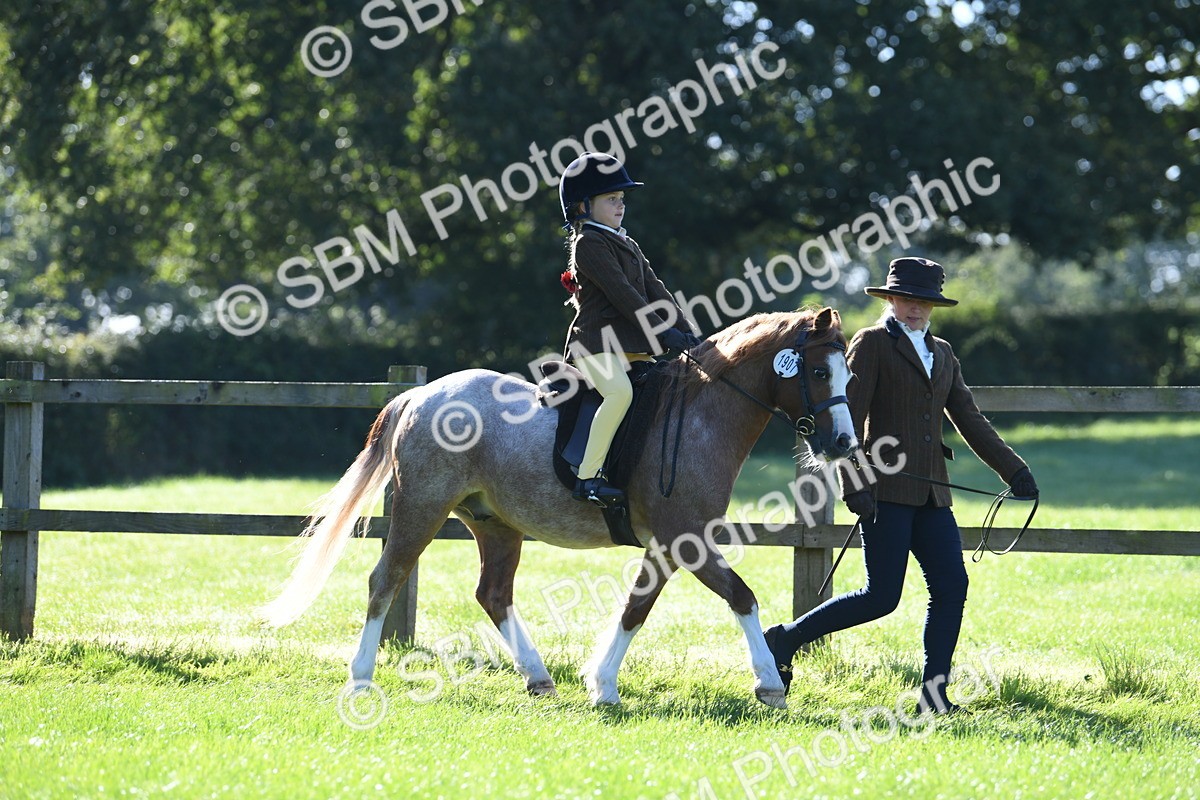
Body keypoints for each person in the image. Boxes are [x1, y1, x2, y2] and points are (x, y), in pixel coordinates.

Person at [763, 256, 1039, 714]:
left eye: (924, 302)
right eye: (907, 299)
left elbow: (968, 418)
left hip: (933, 494)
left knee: (952, 586)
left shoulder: (943, 352)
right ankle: (783, 639)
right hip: (883, 493)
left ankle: (935, 696)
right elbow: (845, 420)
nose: (915, 309)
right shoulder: (871, 344)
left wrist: (1014, 470)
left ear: (934, 306)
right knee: (881, 597)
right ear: (891, 298)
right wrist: (854, 488)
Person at [558, 152, 700, 506]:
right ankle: (587, 478)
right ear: (583, 207)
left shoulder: (628, 243)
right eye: (611, 199)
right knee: (619, 394)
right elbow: (625, 294)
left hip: (629, 348)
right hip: (594, 347)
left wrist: (689, 333)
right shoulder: (588, 243)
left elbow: (656, 290)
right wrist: (663, 332)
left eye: (622, 200)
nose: (620, 206)